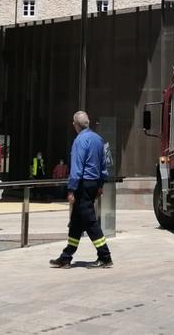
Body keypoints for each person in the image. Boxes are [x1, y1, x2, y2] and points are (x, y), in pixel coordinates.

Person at [50, 111, 113, 268]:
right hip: (93, 184)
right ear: (88, 122)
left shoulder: (79, 141)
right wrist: (100, 185)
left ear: (75, 125)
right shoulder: (99, 140)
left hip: (83, 184)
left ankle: (105, 256)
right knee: (77, 222)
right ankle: (66, 256)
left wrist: (71, 189)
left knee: (90, 221)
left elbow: (77, 167)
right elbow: (104, 165)